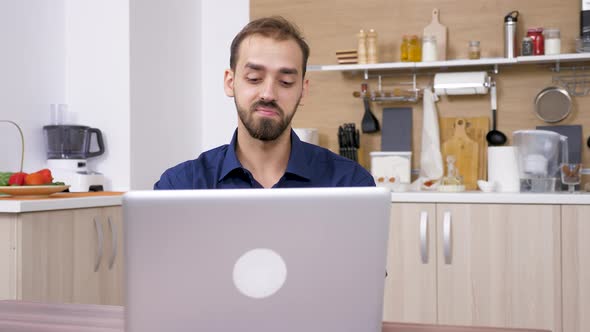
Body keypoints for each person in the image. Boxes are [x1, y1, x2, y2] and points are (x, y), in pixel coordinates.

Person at [154, 16, 374, 189]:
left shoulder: (350, 183)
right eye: (254, 79)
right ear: (230, 82)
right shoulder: (181, 185)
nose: (268, 94)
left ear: (303, 91)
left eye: (286, 82)